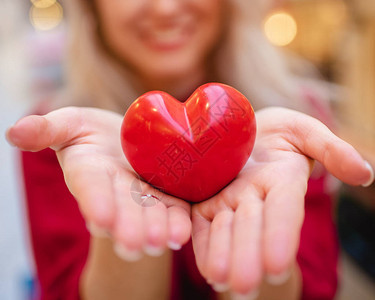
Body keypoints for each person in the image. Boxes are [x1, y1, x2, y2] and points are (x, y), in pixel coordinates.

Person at [5, 0, 374, 299]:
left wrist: (257, 276)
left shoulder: (296, 126)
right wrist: (126, 238)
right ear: (91, 8)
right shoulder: (59, 139)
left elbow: (314, 285)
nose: (165, 8)